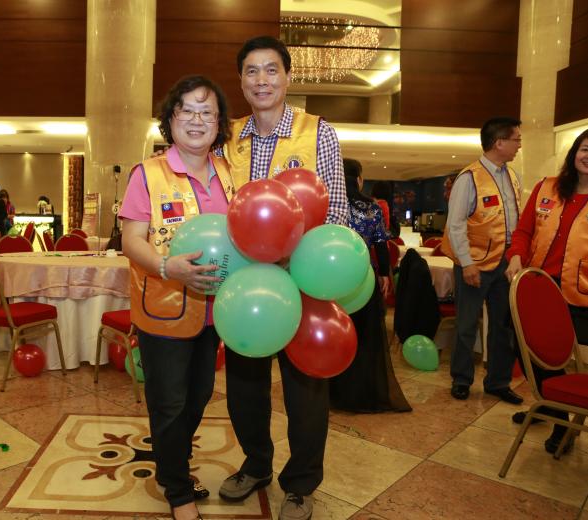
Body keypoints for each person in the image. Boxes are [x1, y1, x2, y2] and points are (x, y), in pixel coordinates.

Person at [219, 36, 348, 520]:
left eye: (271, 70)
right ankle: (255, 465)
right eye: (251, 71)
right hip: (246, 285)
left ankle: (301, 483)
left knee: (306, 393)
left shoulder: (318, 133)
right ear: (241, 81)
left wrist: (310, 263)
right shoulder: (228, 136)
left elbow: (336, 209)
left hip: (302, 283)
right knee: (243, 389)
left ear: (288, 77)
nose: (262, 80)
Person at [120, 75, 235, 520]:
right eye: (186, 110)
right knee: (169, 402)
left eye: (207, 112)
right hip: (164, 306)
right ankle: (177, 489)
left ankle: (175, 467)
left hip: (215, 311)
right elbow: (132, 240)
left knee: (199, 395)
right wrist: (169, 267)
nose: (196, 120)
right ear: (170, 119)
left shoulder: (229, 174)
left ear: (219, 123)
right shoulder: (147, 174)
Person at [504, 127, 588, 454]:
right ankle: (554, 410)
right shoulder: (547, 188)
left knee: (562, 356)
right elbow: (524, 231)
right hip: (537, 287)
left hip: (579, 293)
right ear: (575, 152)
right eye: (586, 149)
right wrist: (515, 256)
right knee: (527, 349)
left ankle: (560, 412)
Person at [440, 117, 523, 404]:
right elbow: (456, 224)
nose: (519, 145)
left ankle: (498, 382)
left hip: (505, 263)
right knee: (466, 324)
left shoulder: (513, 176)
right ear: (499, 142)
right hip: (474, 263)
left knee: (503, 325)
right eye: (516, 139)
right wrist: (467, 263)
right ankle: (461, 379)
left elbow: (516, 222)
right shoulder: (469, 177)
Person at [328, 159, 411, 413]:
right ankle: (362, 394)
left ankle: (334, 393)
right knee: (364, 338)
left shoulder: (330, 205)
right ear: (359, 180)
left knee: (336, 336)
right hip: (363, 279)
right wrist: (384, 274)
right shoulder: (371, 208)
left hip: (332, 279)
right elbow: (380, 243)